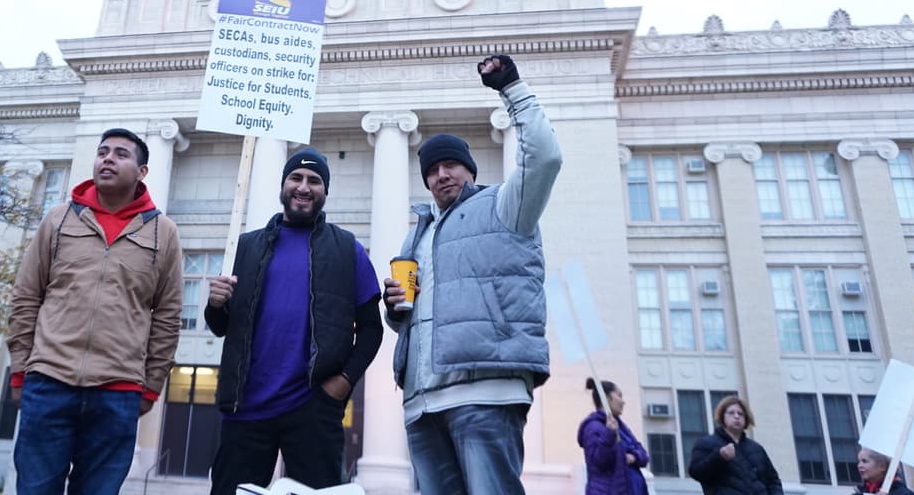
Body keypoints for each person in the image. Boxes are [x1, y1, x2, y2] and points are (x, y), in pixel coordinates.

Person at [383, 53, 563, 495]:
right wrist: (393, 308)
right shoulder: (416, 236)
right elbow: (410, 317)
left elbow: (545, 159)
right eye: (432, 170)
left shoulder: (504, 207)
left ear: (470, 169)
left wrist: (511, 89)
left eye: (451, 165)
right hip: (423, 401)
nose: (442, 175)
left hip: (485, 391)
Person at [6, 127, 184, 495]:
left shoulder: (163, 233)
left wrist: (150, 387)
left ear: (142, 172)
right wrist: (21, 369)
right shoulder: (57, 220)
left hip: (117, 392)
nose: (107, 159)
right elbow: (25, 296)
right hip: (49, 382)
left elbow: (167, 316)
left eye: (121, 154)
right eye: (103, 152)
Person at [204, 148, 384, 495]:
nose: (304, 187)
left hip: (313, 408)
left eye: (314, 180)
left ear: (325, 191)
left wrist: (344, 382)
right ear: (283, 186)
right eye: (296, 178)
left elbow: (372, 329)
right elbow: (221, 325)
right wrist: (215, 306)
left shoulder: (348, 249)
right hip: (246, 406)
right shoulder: (244, 247)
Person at [687, 396, 783, 495]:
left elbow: (773, 481)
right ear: (722, 416)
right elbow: (696, 472)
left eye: (740, 414)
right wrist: (719, 457)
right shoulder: (705, 444)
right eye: (731, 413)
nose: (736, 416)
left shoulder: (756, 448)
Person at [577, 378, 649, 495]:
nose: (623, 401)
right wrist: (609, 434)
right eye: (619, 396)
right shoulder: (593, 427)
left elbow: (644, 455)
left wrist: (633, 457)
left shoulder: (621, 427)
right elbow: (599, 461)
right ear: (606, 398)